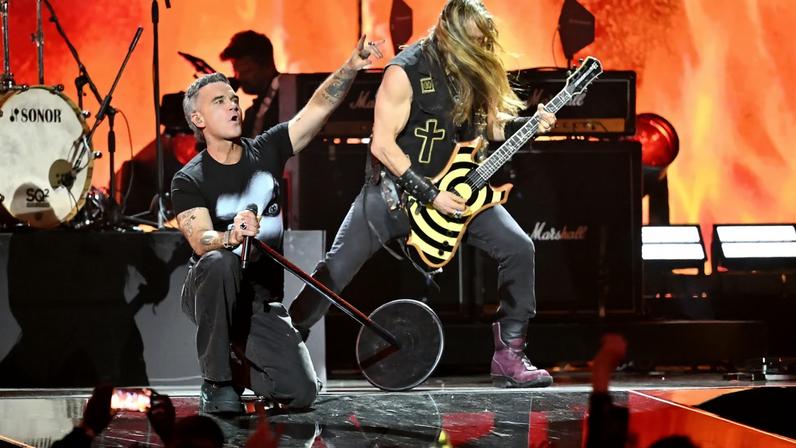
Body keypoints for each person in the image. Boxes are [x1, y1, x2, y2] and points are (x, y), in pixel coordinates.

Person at [288, 0, 557, 388]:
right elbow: (382, 145)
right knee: (336, 269)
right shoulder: (406, 70)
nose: (480, 50)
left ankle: (509, 355)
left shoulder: (472, 71)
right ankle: (284, 340)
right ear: (449, 34)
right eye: (473, 42)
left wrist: (530, 124)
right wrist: (430, 195)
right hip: (394, 194)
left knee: (518, 247)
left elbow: (486, 129)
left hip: (455, 189)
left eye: (484, 42)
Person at [171, 36, 384, 414]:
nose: (232, 104)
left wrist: (351, 66)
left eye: (233, 98)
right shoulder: (189, 179)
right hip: (212, 291)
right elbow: (200, 239)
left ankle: (242, 364)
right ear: (198, 119)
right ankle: (216, 382)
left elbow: (316, 110)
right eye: (219, 101)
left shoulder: (266, 149)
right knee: (220, 262)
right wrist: (229, 236)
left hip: (259, 303)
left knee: (301, 393)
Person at [220, 31, 281, 138]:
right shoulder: (253, 113)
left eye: (247, 71)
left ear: (267, 66)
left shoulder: (289, 100)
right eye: (236, 72)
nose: (239, 78)